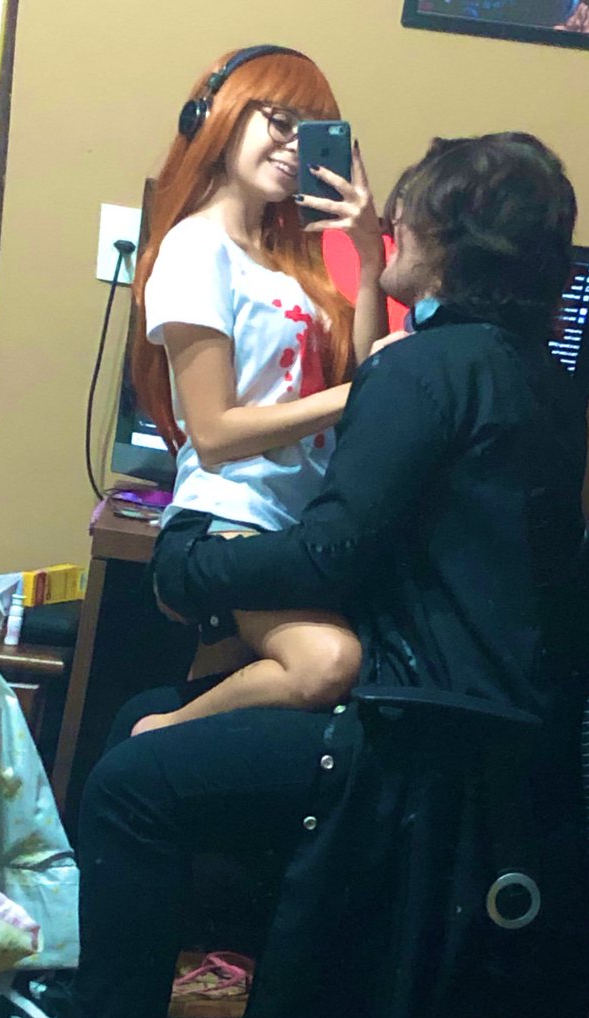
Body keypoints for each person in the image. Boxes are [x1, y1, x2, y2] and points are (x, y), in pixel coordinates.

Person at [57, 131, 589, 1018]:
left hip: (407, 744)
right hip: (467, 731)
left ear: (448, 235)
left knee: (129, 785)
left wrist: (190, 571)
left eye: (408, 212)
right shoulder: (531, 375)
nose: (392, 221)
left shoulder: (426, 371)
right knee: (145, 714)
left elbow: (330, 554)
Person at [128, 44, 386, 737]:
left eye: (313, 132)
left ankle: (158, 759)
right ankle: (157, 736)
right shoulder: (195, 248)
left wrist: (368, 256)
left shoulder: (287, 263)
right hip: (222, 523)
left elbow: (361, 382)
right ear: (219, 115)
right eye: (280, 121)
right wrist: (362, 395)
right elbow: (213, 434)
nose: (295, 146)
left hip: (290, 527)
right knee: (331, 661)